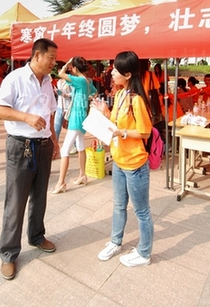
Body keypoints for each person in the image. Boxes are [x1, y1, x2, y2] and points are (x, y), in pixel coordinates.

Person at [0, 39, 60, 281]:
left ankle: (37, 236)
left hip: (43, 145)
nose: (54, 62)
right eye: (51, 57)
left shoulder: (48, 82)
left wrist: (54, 139)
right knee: (16, 201)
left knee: (40, 195)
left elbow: (51, 112)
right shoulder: (16, 78)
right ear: (38, 55)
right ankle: (8, 253)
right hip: (20, 146)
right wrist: (26, 118)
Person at [90, 50, 154, 268]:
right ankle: (116, 242)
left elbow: (145, 132)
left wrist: (122, 133)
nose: (112, 72)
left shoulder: (137, 100)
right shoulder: (119, 95)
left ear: (127, 75)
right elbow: (115, 124)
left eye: (116, 70)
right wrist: (105, 112)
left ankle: (144, 253)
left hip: (135, 164)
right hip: (119, 161)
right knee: (118, 206)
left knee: (141, 211)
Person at [51, 56, 97, 194]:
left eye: (72, 68)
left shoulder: (78, 80)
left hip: (76, 118)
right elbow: (94, 93)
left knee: (65, 150)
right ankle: (82, 175)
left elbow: (60, 74)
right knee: (81, 146)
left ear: (75, 68)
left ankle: (61, 183)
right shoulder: (88, 81)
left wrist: (66, 64)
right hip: (83, 117)